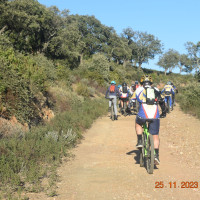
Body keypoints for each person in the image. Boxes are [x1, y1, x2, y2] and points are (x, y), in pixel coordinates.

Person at [133, 75, 161, 165]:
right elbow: (162, 100)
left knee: (138, 123)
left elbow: (132, 100)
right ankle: (156, 155)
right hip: (155, 115)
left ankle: (140, 141)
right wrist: (164, 112)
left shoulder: (139, 90)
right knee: (155, 135)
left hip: (142, 115)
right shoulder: (156, 89)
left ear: (141, 83)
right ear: (151, 83)